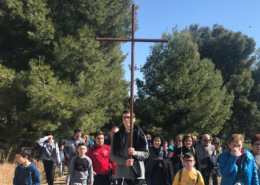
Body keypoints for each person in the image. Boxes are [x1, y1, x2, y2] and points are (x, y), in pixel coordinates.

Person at [109, 109, 149, 185]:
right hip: (122, 174)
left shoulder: (141, 135)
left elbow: (146, 154)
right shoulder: (117, 136)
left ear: (134, 119)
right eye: (124, 117)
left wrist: (135, 153)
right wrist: (124, 162)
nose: (126, 119)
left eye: (128, 117)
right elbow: (112, 155)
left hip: (137, 174)